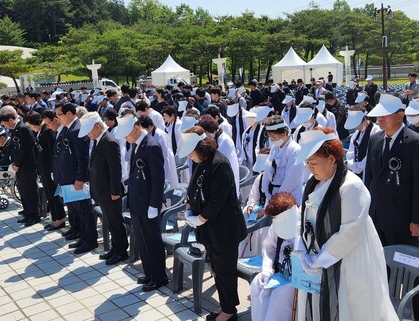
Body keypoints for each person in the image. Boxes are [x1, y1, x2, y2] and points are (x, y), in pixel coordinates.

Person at [295, 127, 398, 321]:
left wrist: (320, 259)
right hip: (317, 256)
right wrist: (303, 248)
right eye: (307, 163)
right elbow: (304, 216)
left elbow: (350, 232)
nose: (310, 168)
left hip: (349, 260)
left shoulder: (351, 186)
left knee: (350, 308)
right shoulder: (313, 181)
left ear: (332, 159)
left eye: (314, 162)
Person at [364, 93, 419, 317]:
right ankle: (385, 309)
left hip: (403, 219)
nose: (380, 120)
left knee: (411, 268)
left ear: (400, 115)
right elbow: (369, 179)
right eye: (378, 116)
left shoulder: (416, 142)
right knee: (379, 265)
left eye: (385, 115)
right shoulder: (375, 139)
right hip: (377, 216)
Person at [180, 126, 247, 321]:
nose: (189, 157)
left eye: (191, 152)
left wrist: (199, 218)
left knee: (225, 269)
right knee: (216, 268)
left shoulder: (220, 164)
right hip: (209, 228)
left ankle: (229, 310)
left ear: (200, 147)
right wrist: (189, 209)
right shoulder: (200, 162)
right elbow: (192, 189)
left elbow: (218, 199)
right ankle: (224, 304)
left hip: (224, 228)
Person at [115, 115, 168, 291]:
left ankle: (159, 276)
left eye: (127, 133)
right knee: (142, 240)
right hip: (137, 201)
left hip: (147, 204)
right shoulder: (138, 144)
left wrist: (154, 205)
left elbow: (158, 179)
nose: (125, 138)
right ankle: (149, 273)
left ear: (136, 128)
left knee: (152, 240)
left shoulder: (151, 146)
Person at [80, 112, 128, 265]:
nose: (88, 134)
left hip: (109, 191)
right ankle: (115, 248)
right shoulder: (99, 140)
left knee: (115, 221)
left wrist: (115, 191)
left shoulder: (109, 141)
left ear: (97, 126)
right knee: (109, 220)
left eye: (89, 130)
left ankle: (121, 251)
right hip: (101, 190)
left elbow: (115, 169)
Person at [249, 192, 299, 321]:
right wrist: (267, 270)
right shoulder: (277, 225)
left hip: (296, 277)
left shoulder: (302, 224)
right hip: (279, 272)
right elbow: (269, 248)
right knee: (257, 284)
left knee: (280, 295)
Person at [55, 103, 96, 253]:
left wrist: (80, 179)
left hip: (76, 180)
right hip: (68, 178)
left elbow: (83, 158)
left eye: (60, 114)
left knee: (85, 210)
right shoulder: (68, 129)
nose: (58, 118)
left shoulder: (78, 130)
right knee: (77, 210)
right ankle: (83, 237)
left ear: (69, 114)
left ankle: (90, 240)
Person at [0, 107, 41, 227]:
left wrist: (17, 163)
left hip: (27, 165)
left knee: (30, 190)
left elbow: (26, 149)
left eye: (6, 124)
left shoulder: (23, 128)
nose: (6, 127)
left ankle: (34, 215)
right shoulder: (15, 129)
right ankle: (27, 211)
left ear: (11, 119)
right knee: (22, 189)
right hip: (19, 165)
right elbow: (14, 148)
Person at [30, 111, 66, 231]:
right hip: (43, 169)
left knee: (54, 195)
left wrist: (52, 170)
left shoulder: (47, 132)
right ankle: (54, 218)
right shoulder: (40, 133)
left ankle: (59, 219)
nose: (31, 128)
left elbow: (52, 153)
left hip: (49, 169)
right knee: (49, 195)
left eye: (31, 125)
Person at [261, 115, 304, 204]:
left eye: (274, 137)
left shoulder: (294, 150)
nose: (272, 140)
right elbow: (268, 169)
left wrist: (278, 199)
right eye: (270, 137)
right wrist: (265, 191)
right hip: (272, 195)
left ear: (284, 133)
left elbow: (291, 180)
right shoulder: (274, 148)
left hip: (288, 197)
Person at [345, 106, 380, 181]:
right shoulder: (356, 134)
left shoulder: (376, 132)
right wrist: (353, 165)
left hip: (371, 172)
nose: (356, 127)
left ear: (364, 119)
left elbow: (372, 155)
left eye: (357, 124)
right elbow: (350, 153)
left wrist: (360, 166)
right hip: (357, 171)